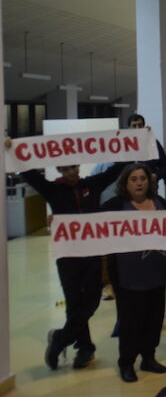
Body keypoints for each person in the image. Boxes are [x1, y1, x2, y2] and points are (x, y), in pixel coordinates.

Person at [12, 143, 127, 371]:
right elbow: (28, 172)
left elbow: (117, 169)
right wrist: (13, 148)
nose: (72, 172)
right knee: (74, 303)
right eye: (66, 168)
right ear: (59, 169)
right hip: (67, 256)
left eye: (74, 167)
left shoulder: (91, 184)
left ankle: (60, 338)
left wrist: (135, 141)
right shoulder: (52, 190)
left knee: (91, 301)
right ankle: (85, 348)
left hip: (92, 254)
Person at [103, 163, 166, 383]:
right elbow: (89, 223)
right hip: (128, 278)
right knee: (130, 322)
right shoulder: (115, 206)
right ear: (125, 183)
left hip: (157, 275)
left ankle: (148, 358)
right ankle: (127, 362)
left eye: (143, 178)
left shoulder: (161, 203)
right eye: (134, 179)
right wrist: (60, 221)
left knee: (154, 320)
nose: (139, 183)